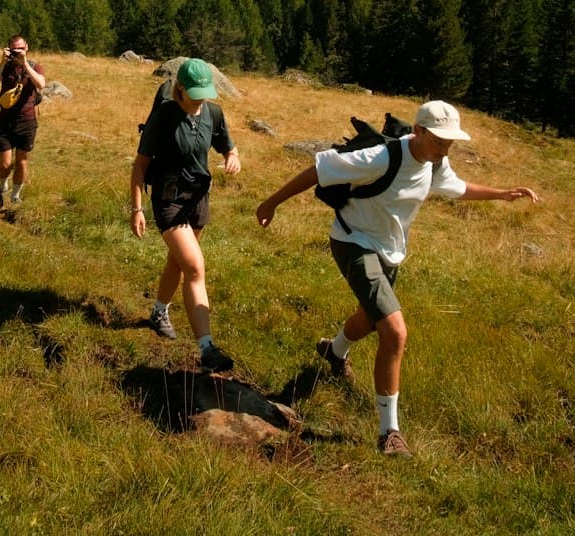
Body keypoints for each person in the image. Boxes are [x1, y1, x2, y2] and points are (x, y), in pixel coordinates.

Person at [255, 100, 539, 458]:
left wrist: (503, 194)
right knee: (395, 332)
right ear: (418, 131)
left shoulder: (435, 163)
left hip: (390, 251)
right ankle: (389, 432)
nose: (445, 148)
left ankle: (334, 350)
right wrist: (271, 203)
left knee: (371, 318)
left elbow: (459, 188)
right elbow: (320, 169)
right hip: (353, 242)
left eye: (450, 142)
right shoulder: (381, 158)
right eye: (439, 141)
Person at [130, 58, 241, 374]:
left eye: (205, 94)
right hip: (169, 199)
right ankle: (207, 349)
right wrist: (137, 209)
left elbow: (228, 147)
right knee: (194, 265)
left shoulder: (213, 113)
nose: (201, 100)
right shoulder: (163, 117)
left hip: (198, 198)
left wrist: (233, 158)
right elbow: (140, 166)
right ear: (180, 88)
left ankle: (158, 312)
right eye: (195, 94)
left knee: (178, 262)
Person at [0, 35, 45, 207]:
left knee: (21, 162)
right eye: (14, 49)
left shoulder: (34, 66)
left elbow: (41, 84)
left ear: (26, 48)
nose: (18, 51)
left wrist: (25, 63)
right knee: (4, 163)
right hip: (5, 121)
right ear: (9, 49)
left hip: (27, 121)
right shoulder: (5, 66)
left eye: (21, 48)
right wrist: (2, 63)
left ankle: (15, 195)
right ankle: (3, 184)